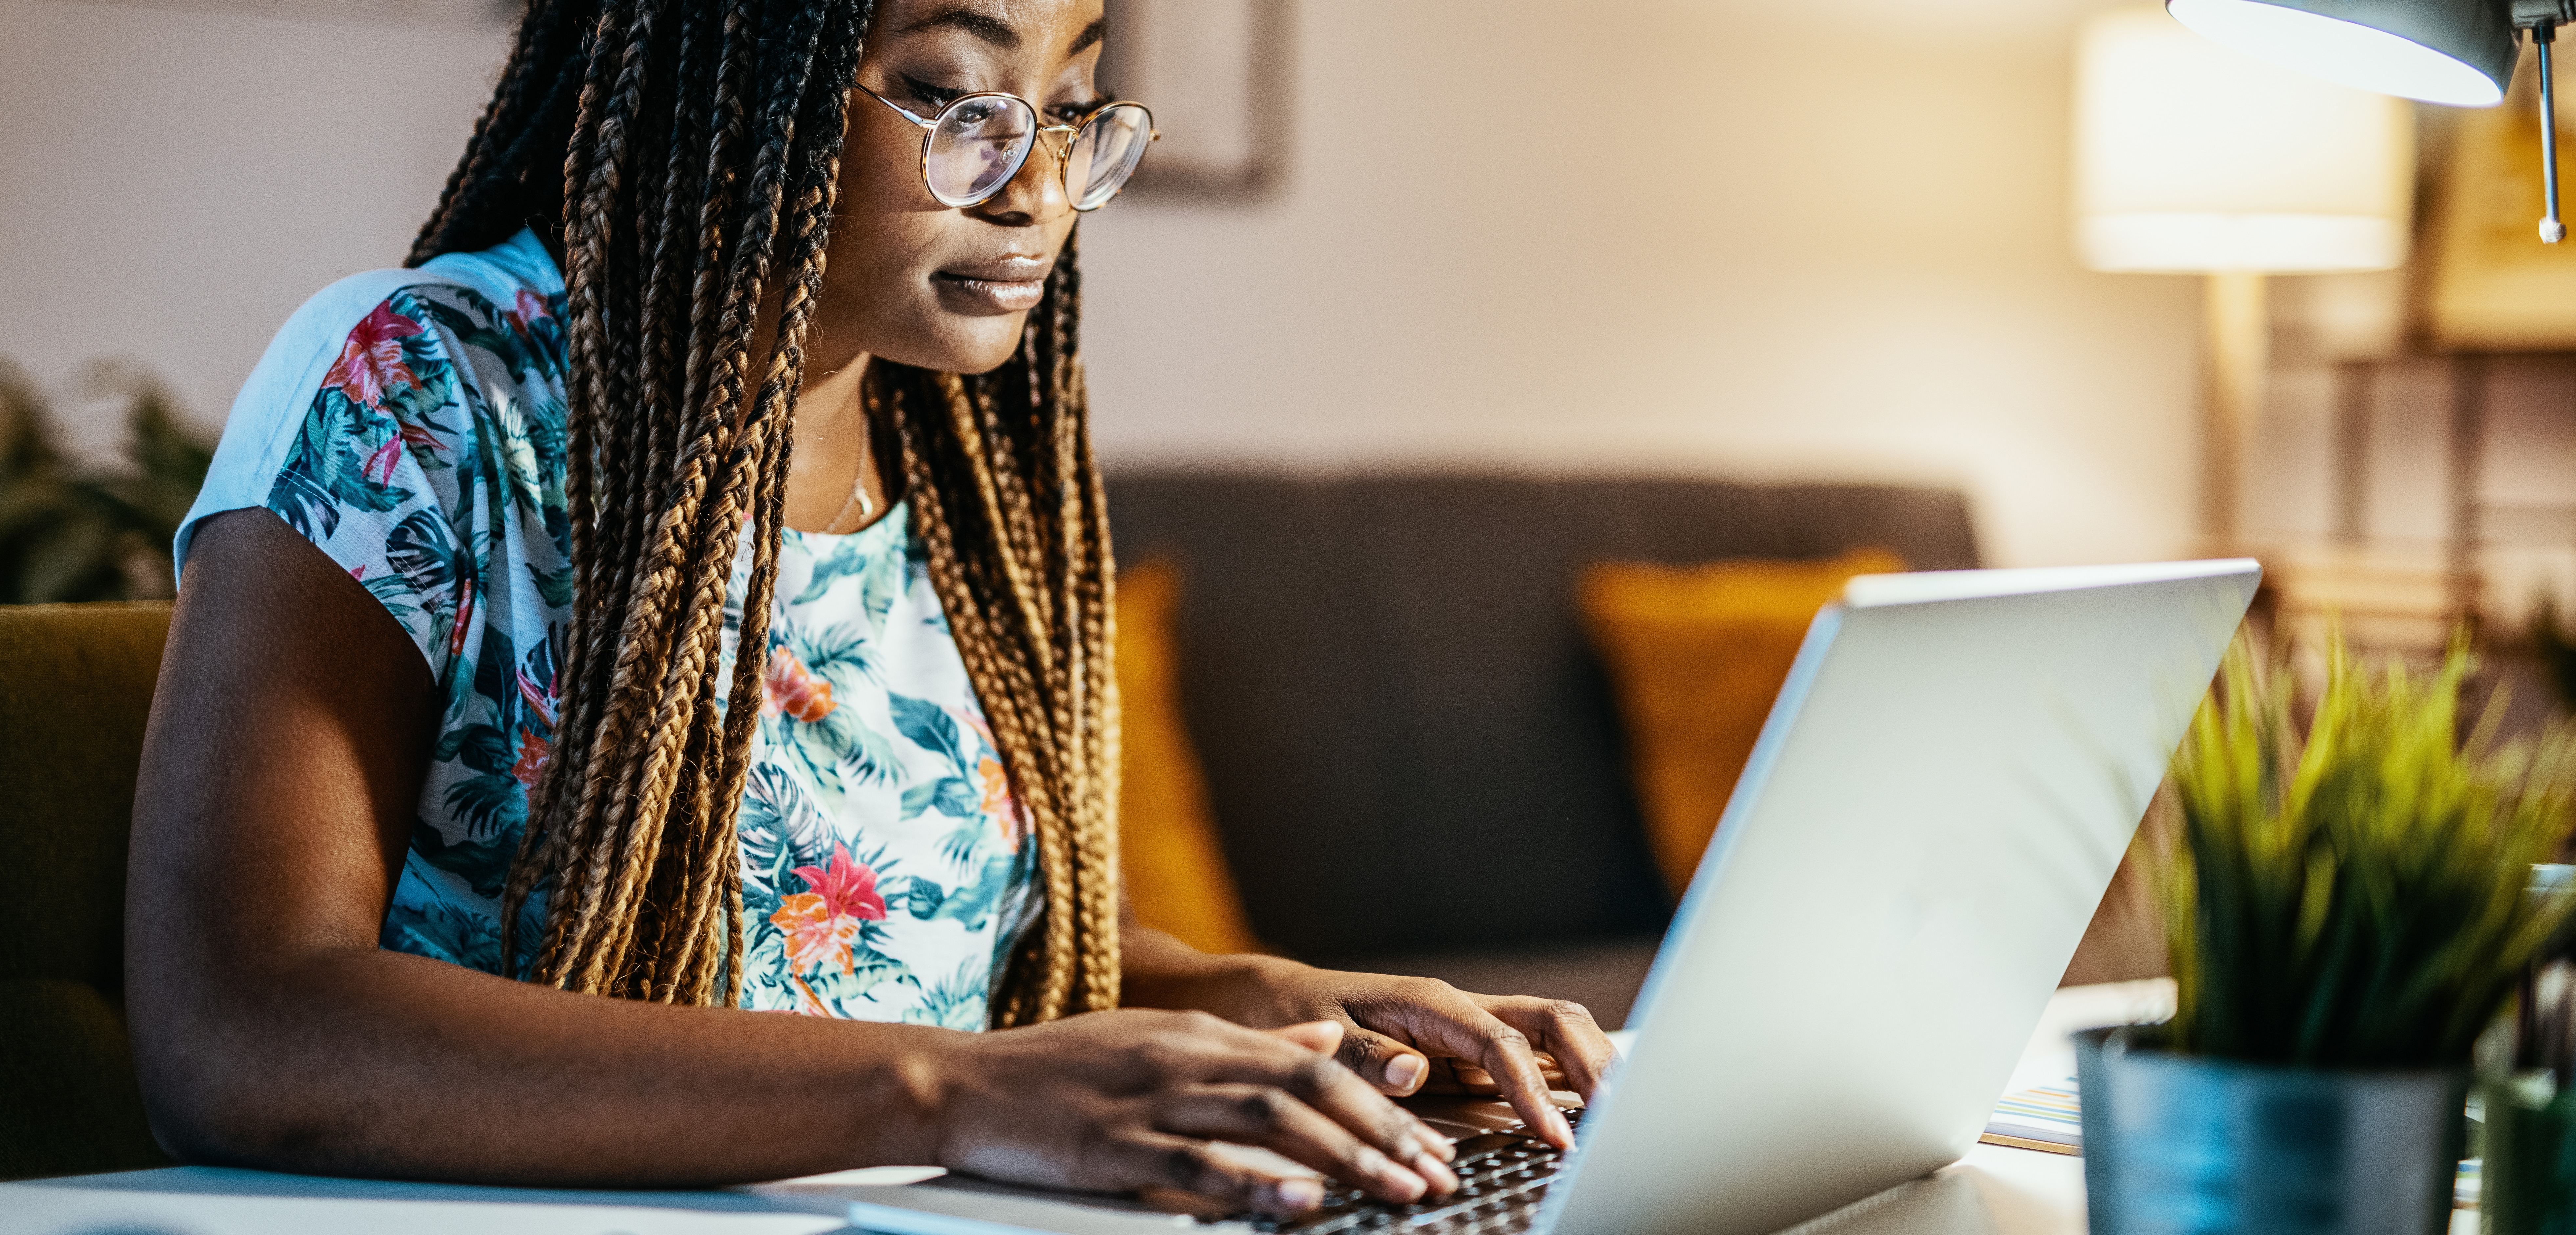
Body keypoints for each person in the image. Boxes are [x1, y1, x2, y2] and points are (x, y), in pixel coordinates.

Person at [126, 0, 1613, 1214]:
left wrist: (1268, 1004)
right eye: (957, 96)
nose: (1037, 189)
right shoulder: (423, 389)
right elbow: (245, 1031)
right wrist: (953, 1093)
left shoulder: (967, 466)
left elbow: (948, 951)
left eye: (1075, 102)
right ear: (737, 75)